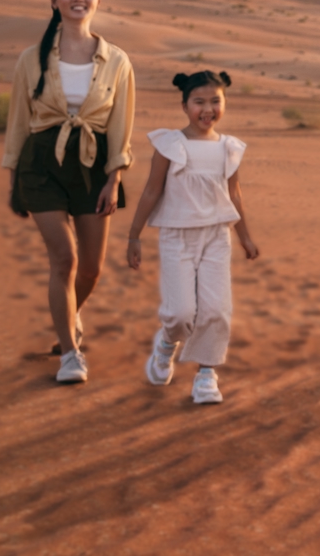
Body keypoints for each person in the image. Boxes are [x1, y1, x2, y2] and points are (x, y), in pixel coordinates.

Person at [2, 0, 137, 385]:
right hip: (41, 163)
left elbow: (121, 125)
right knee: (65, 258)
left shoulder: (116, 60)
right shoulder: (32, 57)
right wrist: (14, 179)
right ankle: (70, 353)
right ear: (54, 0)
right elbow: (19, 120)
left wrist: (114, 178)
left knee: (92, 269)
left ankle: (70, 315)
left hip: (94, 164)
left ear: (97, 0)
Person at [125, 70, 260, 405]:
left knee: (216, 309)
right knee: (181, 313)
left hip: (217, 236)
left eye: (216, 101)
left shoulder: (228, 148)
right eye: (199, 102)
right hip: (177, 236)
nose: (208, 109)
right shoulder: (170, 145)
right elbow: (151, 191)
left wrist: (245, 236)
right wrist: (134, 235)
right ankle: (166, 344)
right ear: (184, 105)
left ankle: (206, 375)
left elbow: (235, 195)